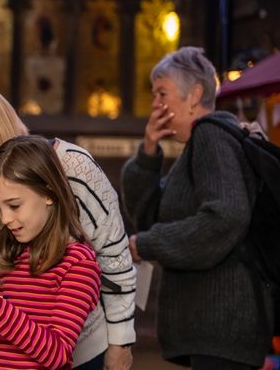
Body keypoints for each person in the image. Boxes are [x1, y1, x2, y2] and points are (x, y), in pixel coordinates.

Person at [0, 76, 136, 370]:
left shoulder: (73, 169)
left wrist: (121, 343)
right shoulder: (8, 262)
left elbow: (115, 257)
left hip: (82, 354)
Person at [121, 46, 274, 369]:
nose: (155, 105)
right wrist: (149, 149)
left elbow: (226, 217)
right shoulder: (203, 144)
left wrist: (148, 244)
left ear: (195, 95)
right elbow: (149, 215)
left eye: (162, 93)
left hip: (223, 325)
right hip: (215, 329)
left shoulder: (210, 137)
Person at [0, 135, 102, 369]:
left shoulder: (78, 265)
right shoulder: (12, 259)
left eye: (14, 205)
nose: (5, 219)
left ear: (49, 193)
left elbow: (57, 355)